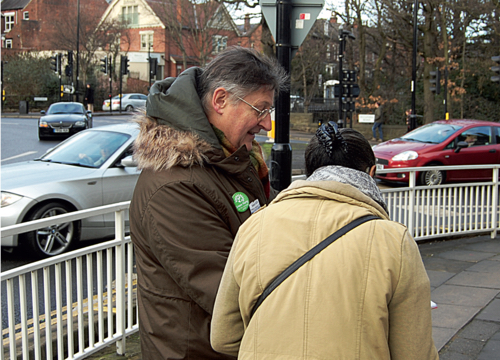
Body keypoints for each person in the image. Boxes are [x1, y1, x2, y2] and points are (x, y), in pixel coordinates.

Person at [211, 122, 438, 360]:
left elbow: (223, 337)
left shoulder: (254, 227)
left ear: (311, 172)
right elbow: (415, 352)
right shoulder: (394, 241)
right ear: (371, 173)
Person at [129, 47, 287, 360]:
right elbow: (226, 293)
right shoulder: (174, 187)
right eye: (260, 109)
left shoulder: (230, 162)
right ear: (220, 101)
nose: (267, 124)